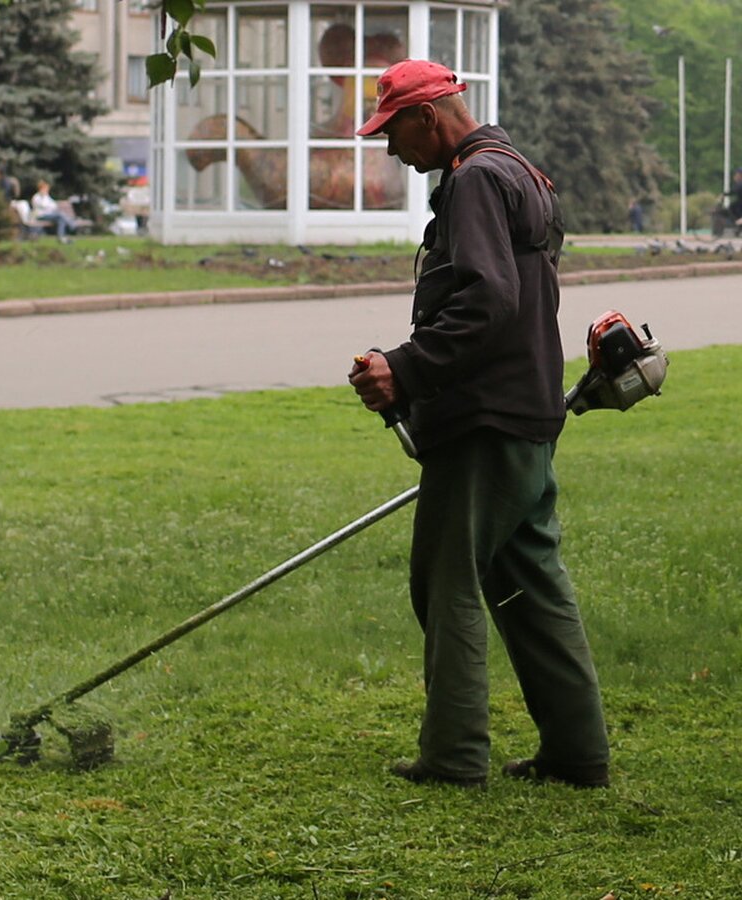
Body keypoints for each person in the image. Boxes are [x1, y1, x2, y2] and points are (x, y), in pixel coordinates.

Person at [347, 59, 610, 790]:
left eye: (392, 132)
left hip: (485, 417)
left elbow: (487, 298)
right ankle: (577, 754)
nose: (392, 151)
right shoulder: (519, 170)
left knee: (447, 580)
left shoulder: (471, 180)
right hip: (528, 410)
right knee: (531, 580)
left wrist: (404, 365)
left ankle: (454, 757)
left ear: (427, 115)